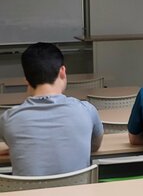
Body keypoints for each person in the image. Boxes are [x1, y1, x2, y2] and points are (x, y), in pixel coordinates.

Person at [0, 43, 103, 176]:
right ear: (62, 71)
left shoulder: (8, 119)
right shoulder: (87, 111)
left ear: (26, 79)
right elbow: (94, 146)